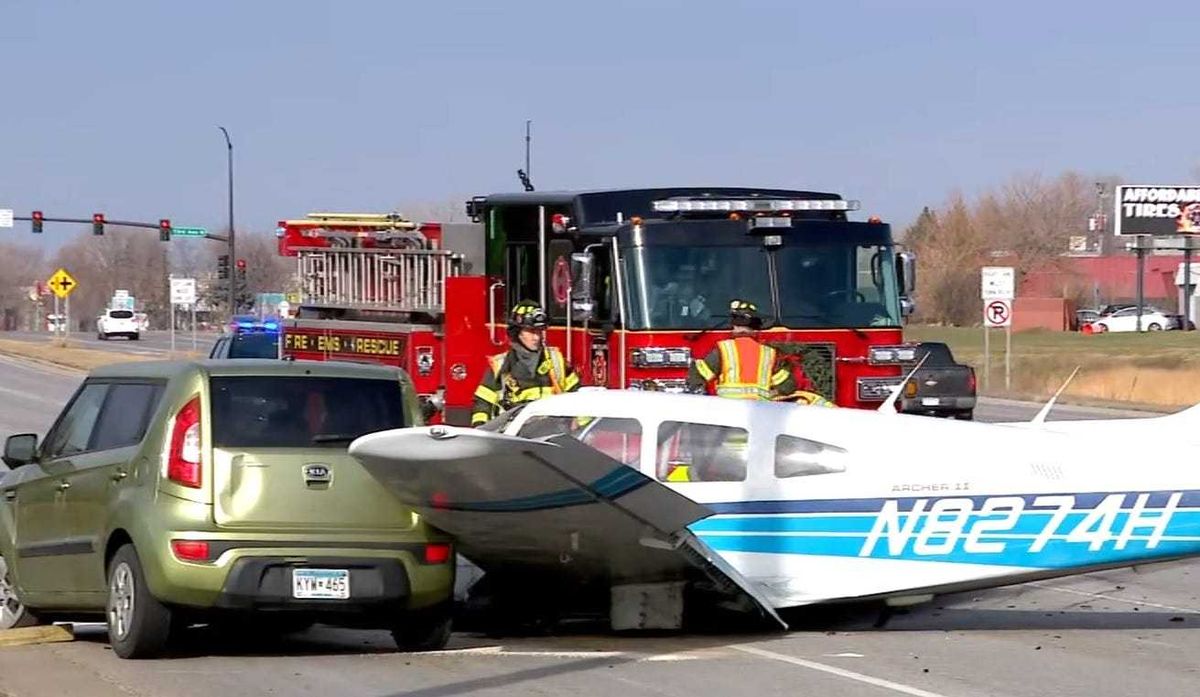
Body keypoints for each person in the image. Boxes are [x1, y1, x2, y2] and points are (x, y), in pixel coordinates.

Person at [471, 300, 581, 426]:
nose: (536, 337)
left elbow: (578, 398)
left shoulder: (556, 360)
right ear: (517, 333)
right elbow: (482, 403)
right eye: (531, 331)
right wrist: (480, 429)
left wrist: (582, 429)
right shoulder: (500, 365)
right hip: (514, 433)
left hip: (553, 432)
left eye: (539, 331)